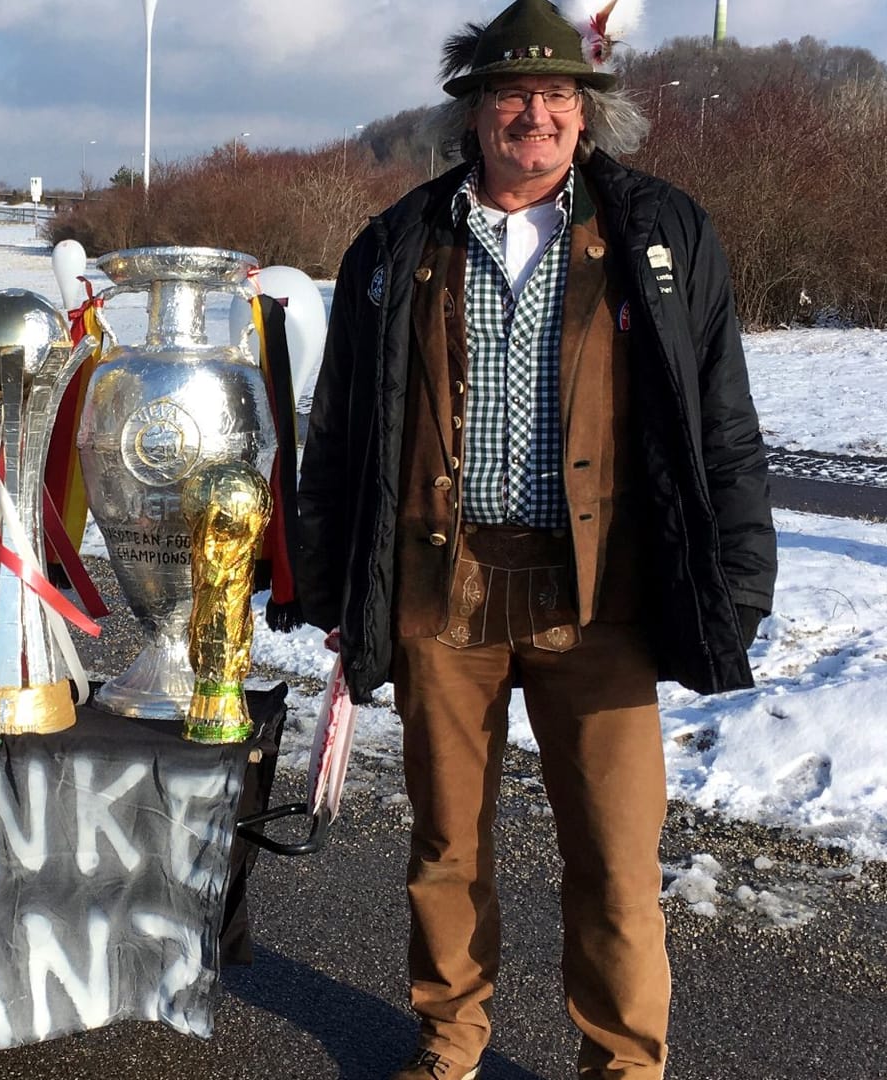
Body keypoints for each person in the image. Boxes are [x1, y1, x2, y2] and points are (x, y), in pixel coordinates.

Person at [294, 2, 775, 1078]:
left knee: (614, 854)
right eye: (515, 94)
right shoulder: (397, 242)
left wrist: (738, 577)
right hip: (441, 591)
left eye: (561, 95)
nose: (539, 113)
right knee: (446, 847)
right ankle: (451, 1041)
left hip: (599, 597)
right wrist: (330, 583)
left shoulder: (661, 234)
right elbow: (343, 428)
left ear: (587, 114)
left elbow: (722, 420)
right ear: (473, 110)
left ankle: (624, 1064)